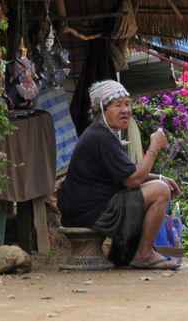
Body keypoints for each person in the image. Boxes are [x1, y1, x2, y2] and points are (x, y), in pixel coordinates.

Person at [59, 80, 181, 270]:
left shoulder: (104, 133)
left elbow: (127, 173)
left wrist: (159, 177)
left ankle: (124, 254)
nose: (125, 110)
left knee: (158, 185)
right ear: (101, 110)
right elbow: (133, 180)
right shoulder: (100, 136)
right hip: (91, 213)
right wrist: (154, 148)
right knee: (160, 192)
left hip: (89, 209)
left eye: (128, 104)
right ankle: (144, 254)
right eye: (118, 105)